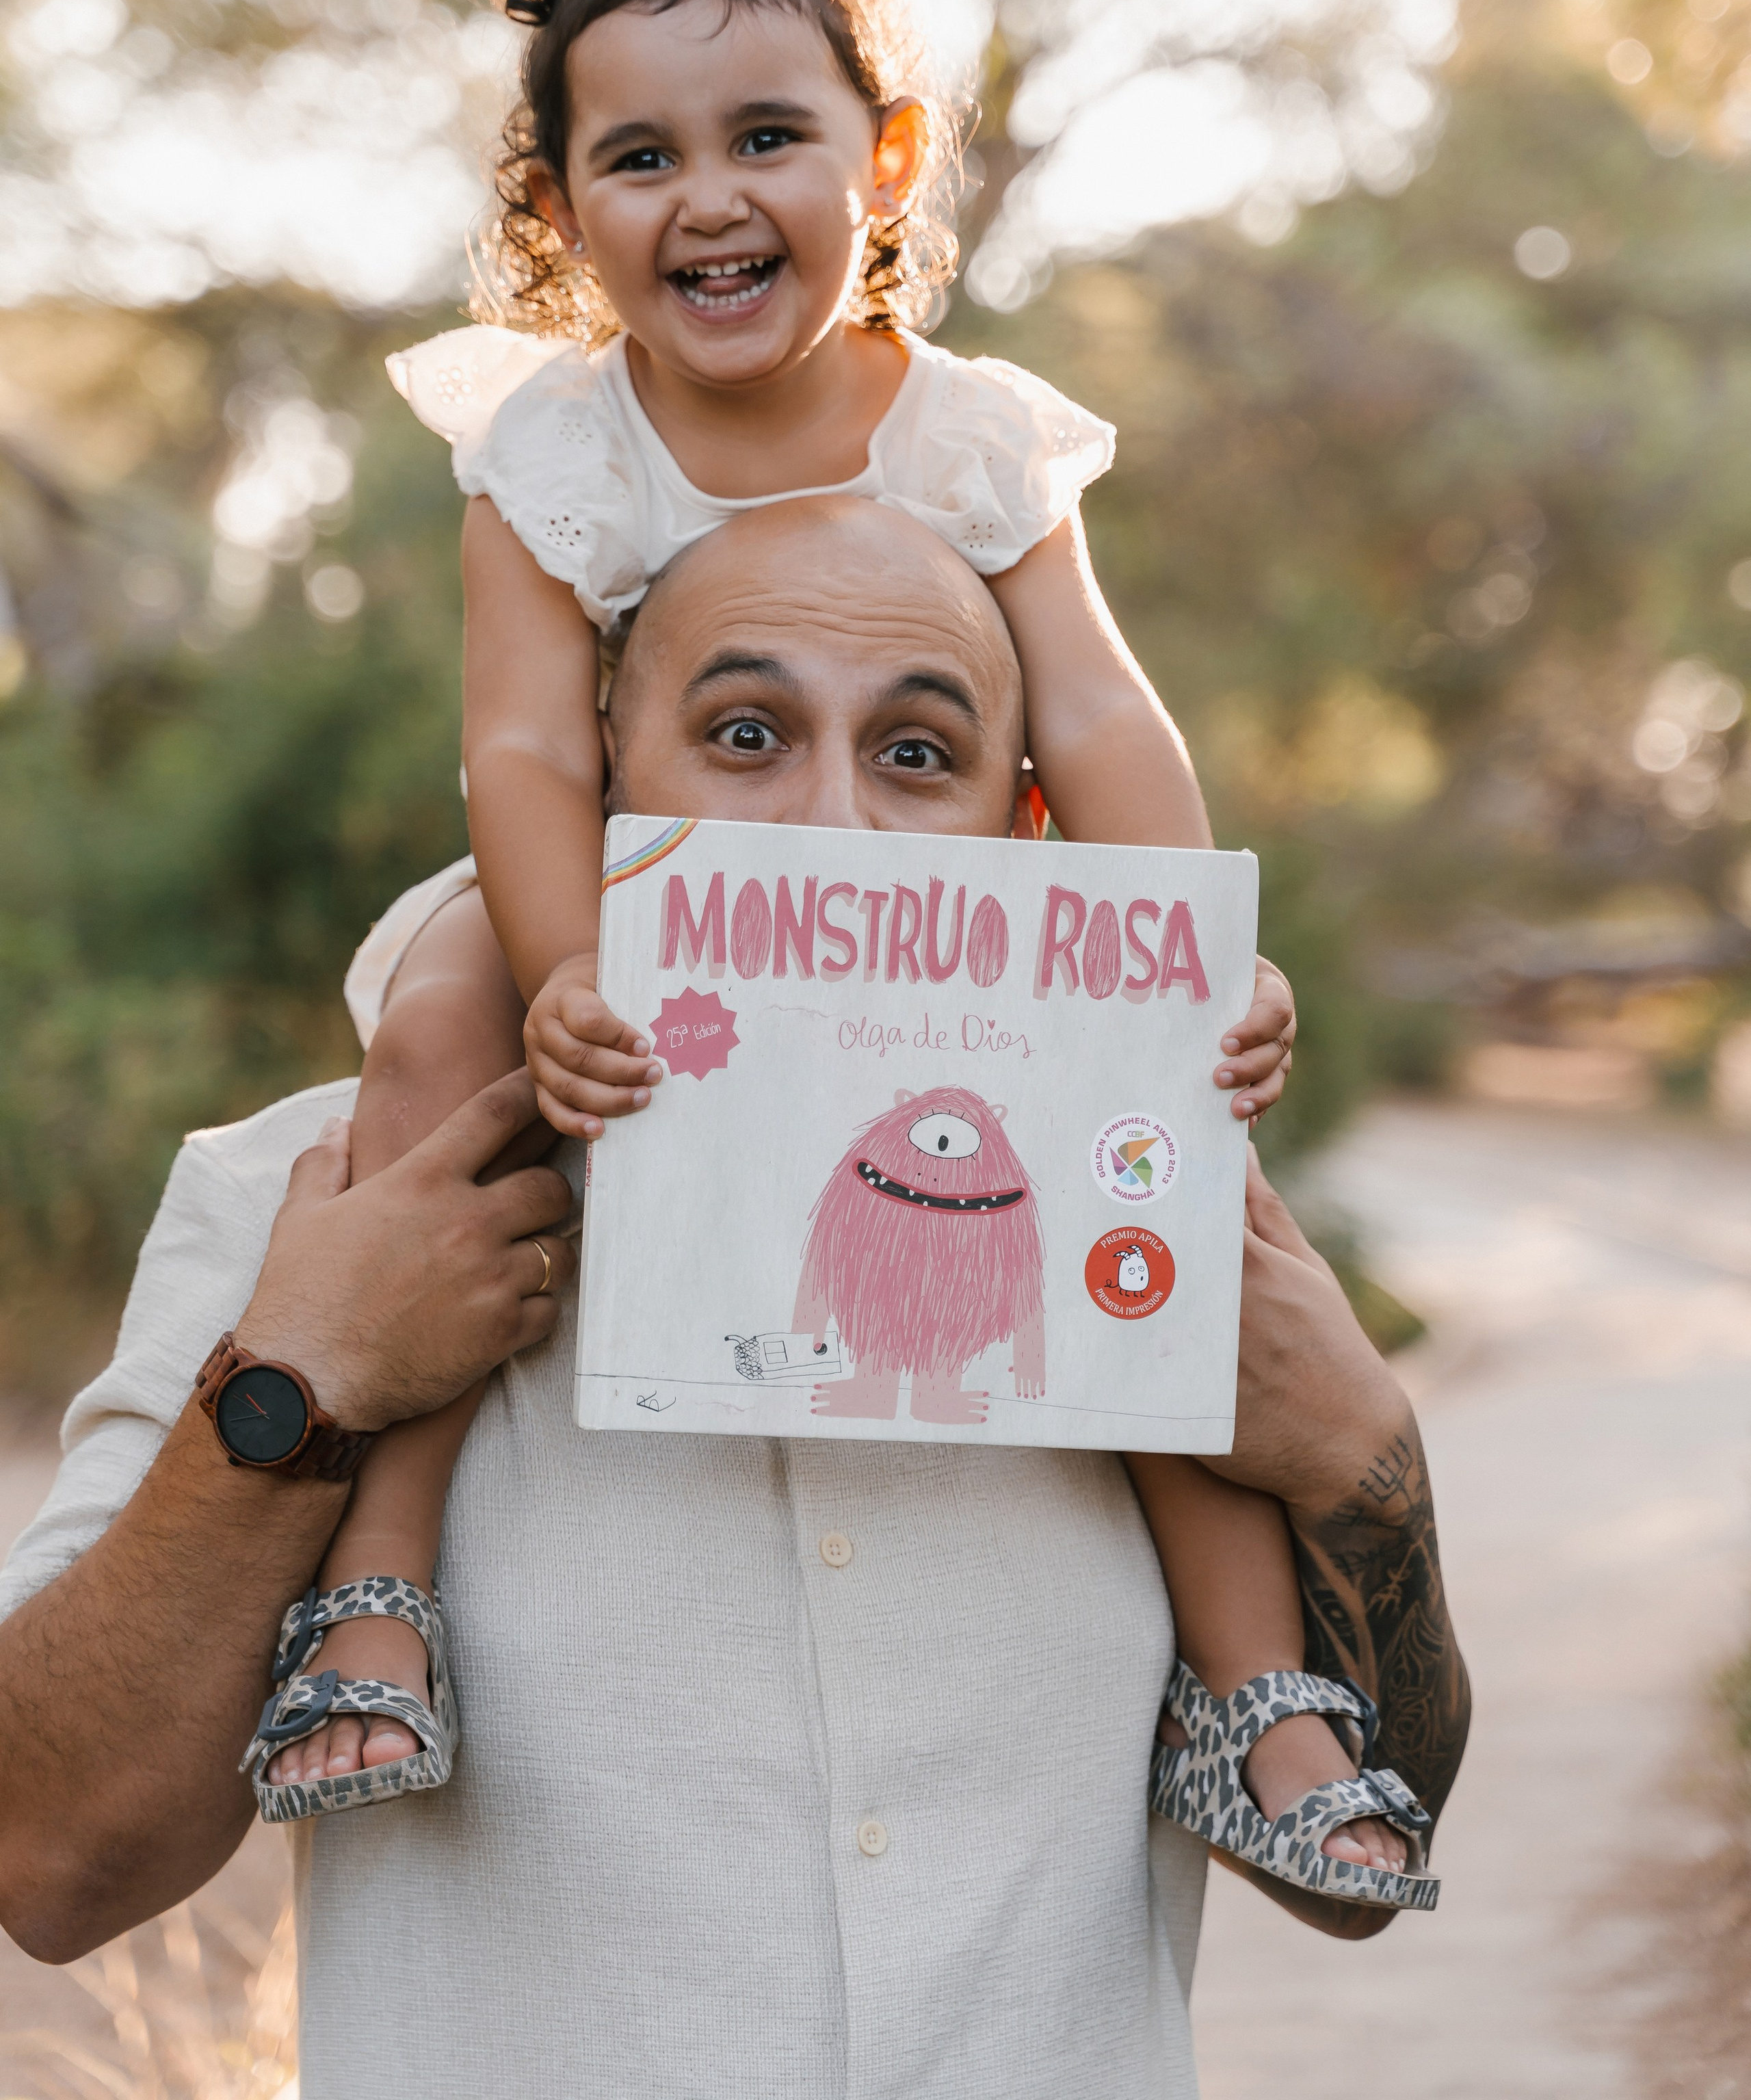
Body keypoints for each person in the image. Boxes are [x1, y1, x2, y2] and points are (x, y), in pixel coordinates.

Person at [269, 0, 1409, 1895]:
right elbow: (524, 747)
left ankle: (1261, 1694)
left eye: (766, 137)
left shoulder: (969, 433)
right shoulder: (553, 444)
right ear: (563, 207)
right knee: (434, 1037)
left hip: (941, 916)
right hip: (630, 901)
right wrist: (562, 976)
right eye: (642, 157)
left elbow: (1095, 717)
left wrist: (1189, 975)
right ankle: (381, 1576)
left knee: (1162, 1180)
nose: (710, 199)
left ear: (880, 161)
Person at [0, 501, 1469, 2100]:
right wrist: (298, 1380)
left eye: (916, 755)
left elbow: (1352, 1876)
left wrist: (1361, 1456)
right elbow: (53, 1862)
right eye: (746, 733)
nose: (826, 823)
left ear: (1022, 827)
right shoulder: (321, 1196)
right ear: (607, 773)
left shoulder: (1137, 1226)